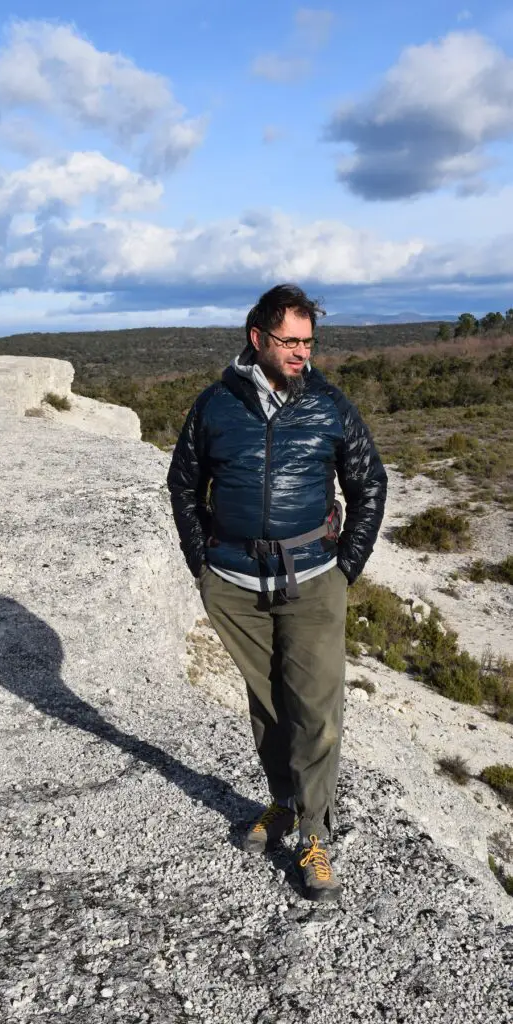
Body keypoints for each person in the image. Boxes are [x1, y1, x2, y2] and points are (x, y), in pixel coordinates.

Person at [167, 284, 387, 901]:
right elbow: (183, 484)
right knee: (267, 709)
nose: (302, 354)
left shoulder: (329, 405)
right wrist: (200, 561)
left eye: (309, 342)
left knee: (316, 713)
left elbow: (370, 484)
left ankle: (314, 833)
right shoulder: (214, 406)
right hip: (234, 586)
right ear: (257, 338)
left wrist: (346, 566)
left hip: (314, 581)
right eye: (291, 342)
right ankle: (284, 803)